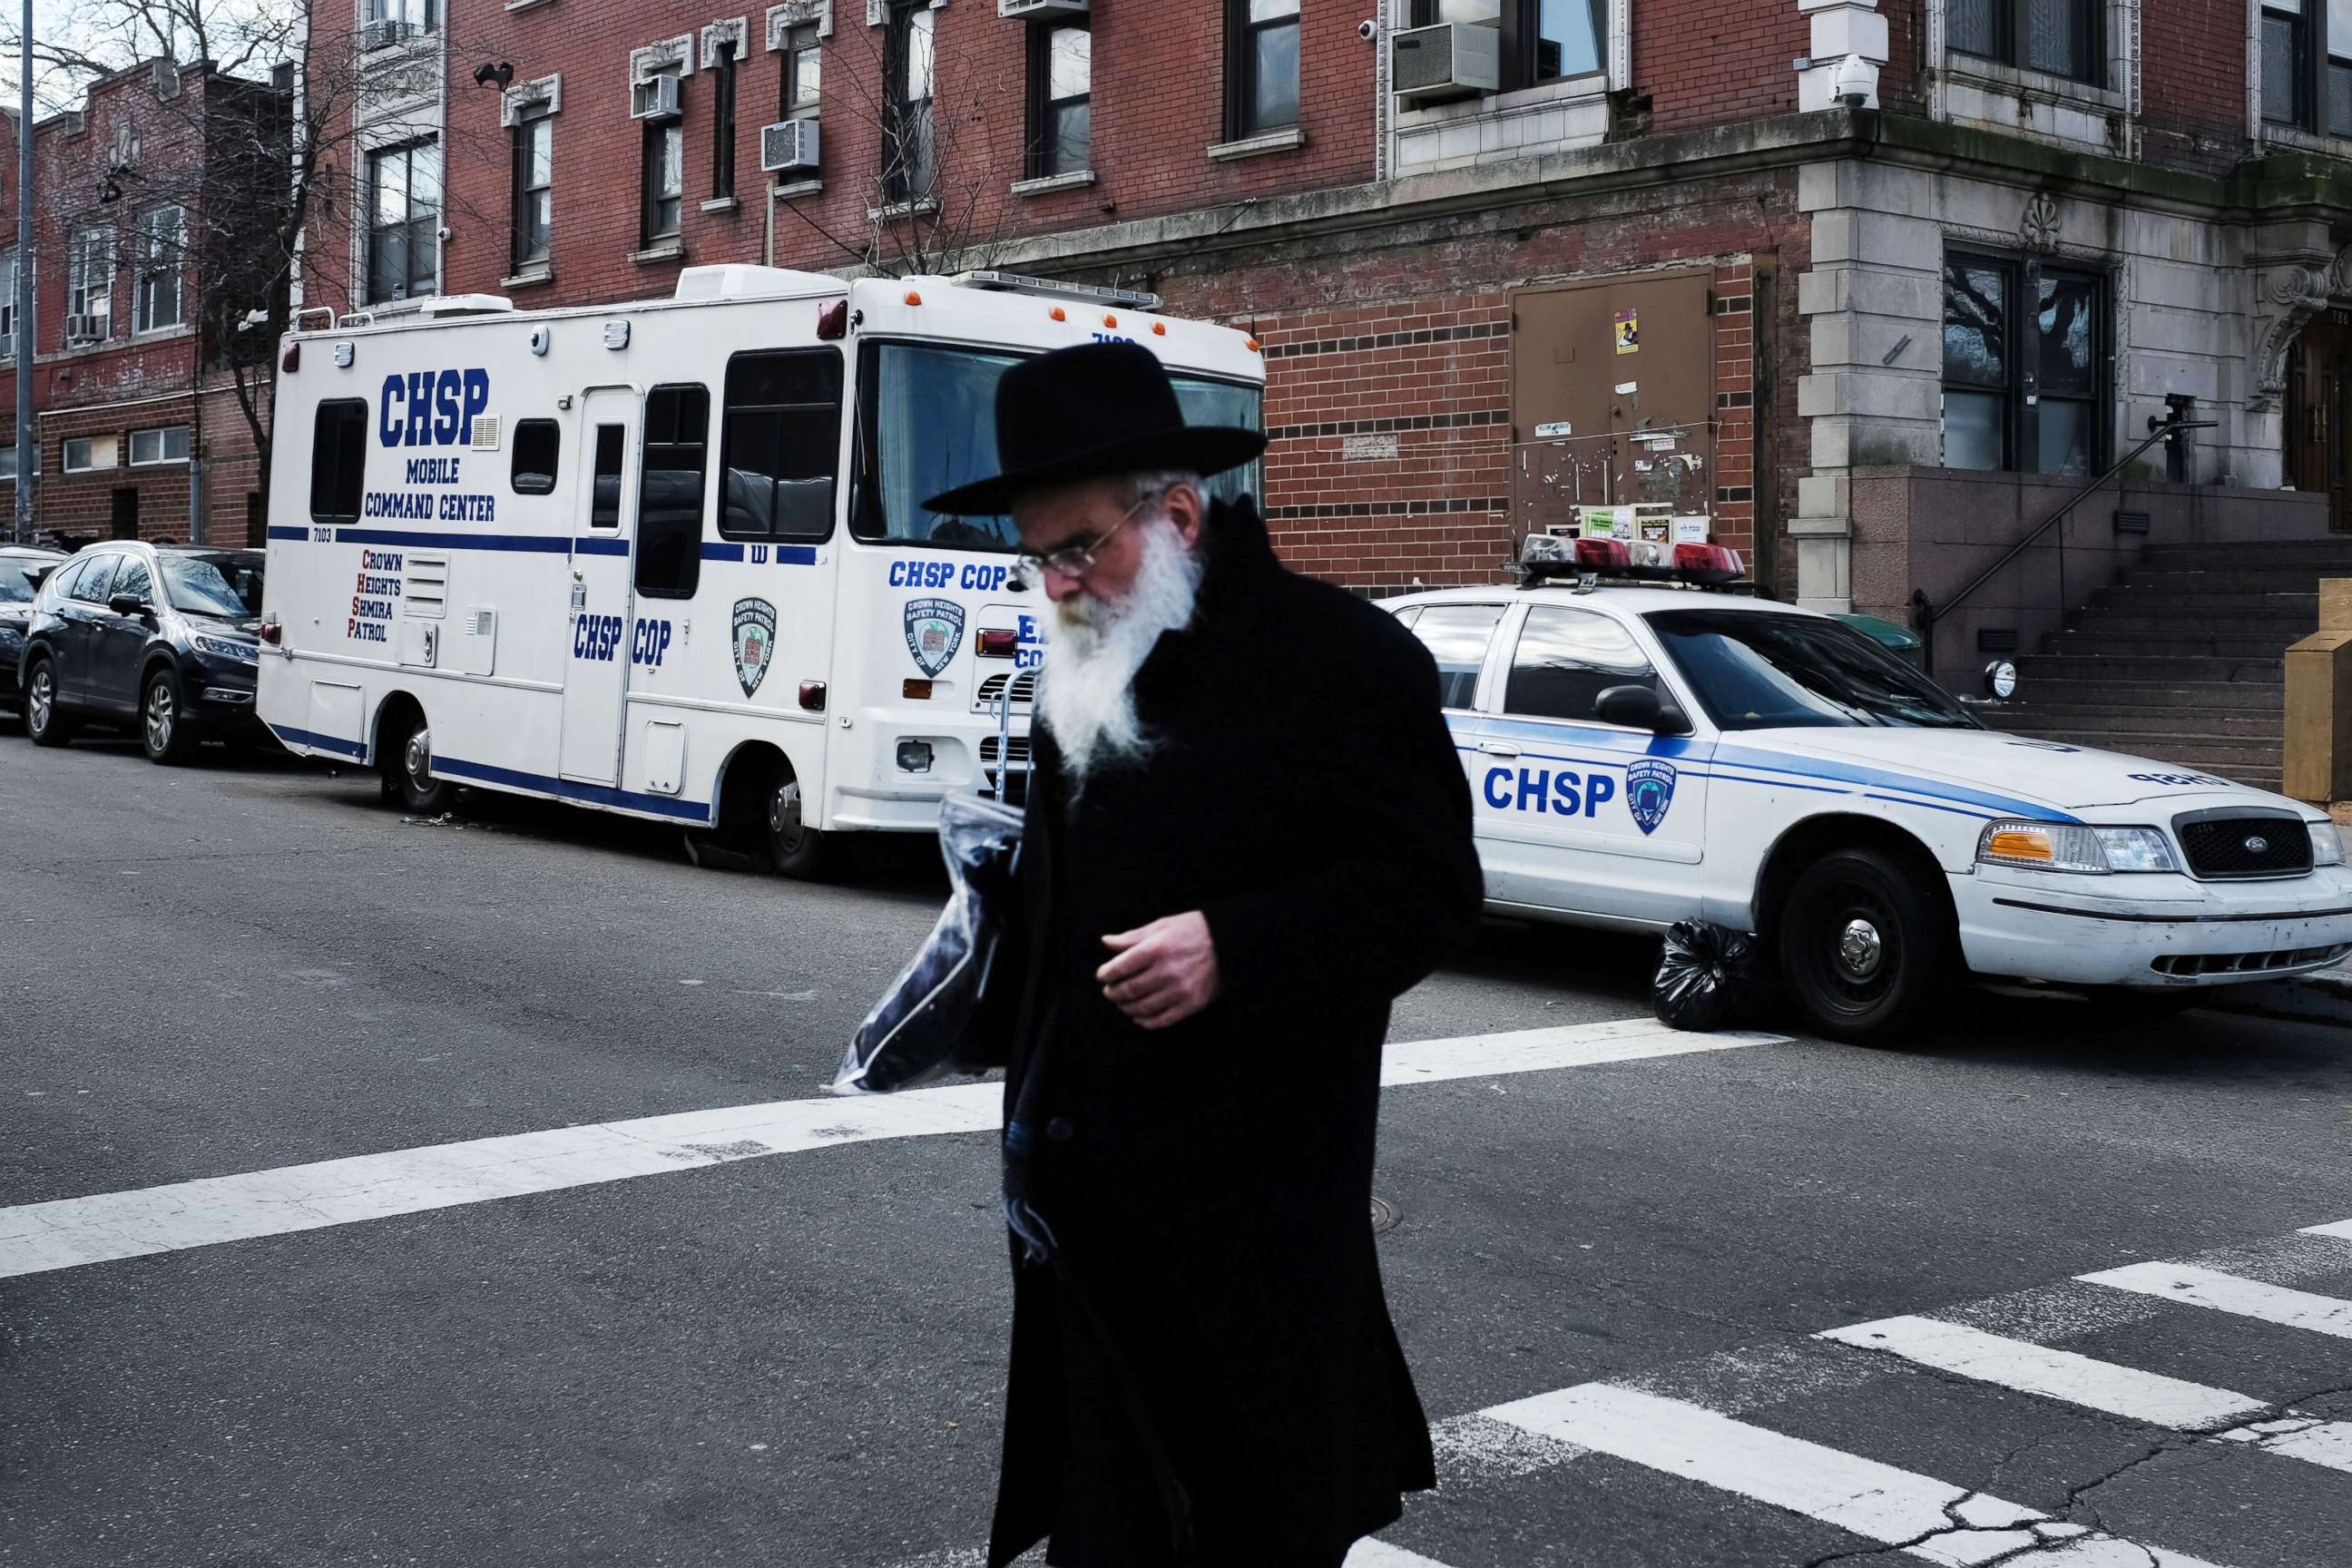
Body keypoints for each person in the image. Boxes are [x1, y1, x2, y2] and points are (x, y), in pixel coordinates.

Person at [927, 341, 1485, 1568]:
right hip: (1090, 1247)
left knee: (1243, 1532)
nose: (1059, 584)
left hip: (1254, 1252)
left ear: (1177, 511)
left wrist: (1237, 946)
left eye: (1079, 546)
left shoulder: (1343, 662)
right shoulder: (1088, 665)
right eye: (1038, 555)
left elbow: (1431, 892)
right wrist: (978, 976)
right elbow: (1076, 898)